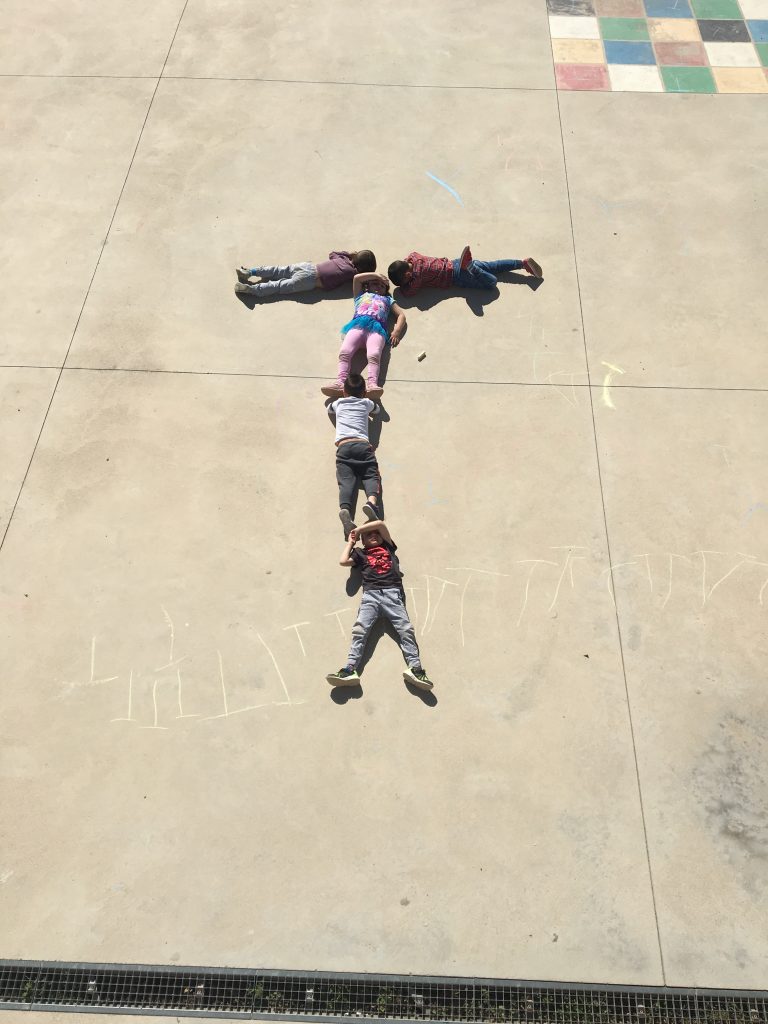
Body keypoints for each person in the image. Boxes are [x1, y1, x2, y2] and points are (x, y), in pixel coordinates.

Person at [326, 521, 433, 691]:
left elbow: (381, 524)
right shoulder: (360, 553)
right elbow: (343, 561)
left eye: (376, 533)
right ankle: (349, 670)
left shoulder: (388, 547)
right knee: (360, 630)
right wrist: (351, 542)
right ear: (363, 541)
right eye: (368, 534)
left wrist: (359, 529)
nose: (374, 534)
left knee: (406, 630)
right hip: (371, 596)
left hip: (393, 595)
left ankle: (416, 670)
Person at [320, 272, 406, 401]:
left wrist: (397, 331)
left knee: (374, 355)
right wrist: (377, 275)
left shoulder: (388, 300)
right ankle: (340, 382)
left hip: (377, 329)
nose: (379, 286)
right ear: (367, 286)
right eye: (375, 283)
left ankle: (372, 385)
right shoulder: (360, 295)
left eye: (383, 286)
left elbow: (401, 315)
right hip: (357, 326)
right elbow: (356, 278)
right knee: (344, 352)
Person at [328, 374, 383, 539]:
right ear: (364, 393)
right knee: (370, 474)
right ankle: (371, 503)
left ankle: (345, 509)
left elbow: (329, 409)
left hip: (344, 447)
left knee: (346, 482)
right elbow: (377, 410)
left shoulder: (338, 403)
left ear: (344, 392)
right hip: (362, 445)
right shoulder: (366, 403)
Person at [387, 245, 542, 296]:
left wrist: (402, 288)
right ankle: (522, 263)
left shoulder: (418, 276)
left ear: (408, 275)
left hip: (456, 277)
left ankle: (471, 268)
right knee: (494, 266)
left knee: (491, 283)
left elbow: (409, 292)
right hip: (455, 263)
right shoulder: (414, 257)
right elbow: (408, 256)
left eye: (405, 280)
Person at [234, 249, 376, 298]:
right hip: (309, 281)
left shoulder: (343, 259)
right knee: (279, 286)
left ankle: (250, 272)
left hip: (307, 267)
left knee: (277, 270)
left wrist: (348, 253)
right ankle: (251, 289)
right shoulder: (353, 273)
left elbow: (332, 253)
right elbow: (360, 280)